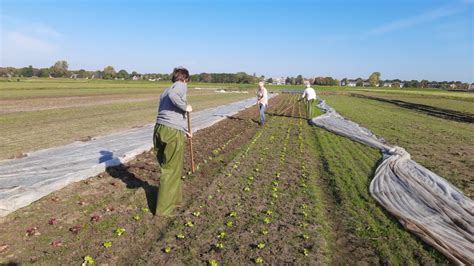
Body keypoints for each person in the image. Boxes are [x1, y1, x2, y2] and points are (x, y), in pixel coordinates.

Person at [153, 66, 193, 216]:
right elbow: (173, 96)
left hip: (160, 129)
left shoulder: (165, 90)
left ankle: (175, 200)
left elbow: (169, 113)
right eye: (187, 82)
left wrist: (184, 131)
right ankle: (164, 209)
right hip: (171, 133)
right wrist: (185, 108)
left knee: (169, 167)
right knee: (171, 170)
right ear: (185, 79)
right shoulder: (179, 86)